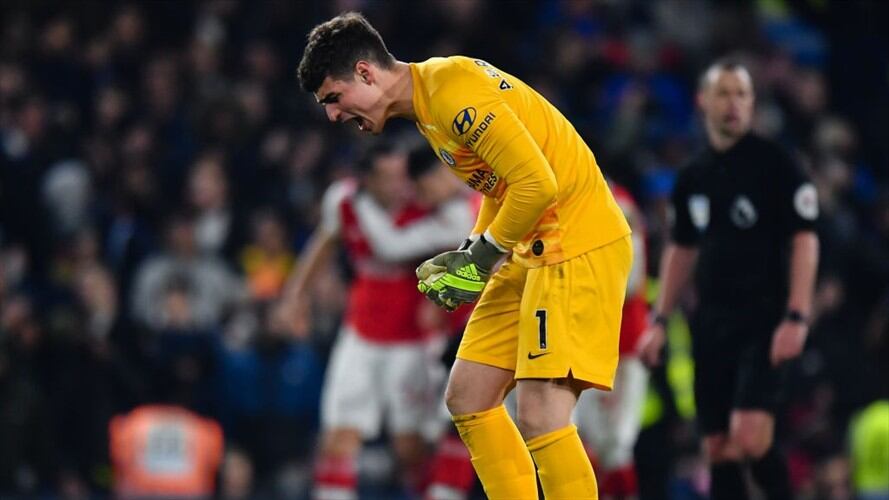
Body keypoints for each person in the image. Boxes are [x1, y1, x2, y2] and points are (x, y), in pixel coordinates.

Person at [298, 12, 632, 499]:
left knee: (541, 413)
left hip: (574, 244)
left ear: (366, 73)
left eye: (333, 98)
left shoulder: (453, 94)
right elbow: (501, 186)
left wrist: (483, 254)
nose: (332, 115)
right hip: (529, 247)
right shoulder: (430, 104)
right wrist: (471, 253)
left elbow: (538, 184)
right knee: (468, 396)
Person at [638, 60, 820, 499]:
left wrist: (797, 313)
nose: (734, 103)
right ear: (703, 101)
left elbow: (804, 239)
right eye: (724, 93)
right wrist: (660, 321)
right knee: (718, 447)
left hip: (766, 317)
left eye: (742, 94)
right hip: (712, 321)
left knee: (751, 435)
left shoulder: (776, 164)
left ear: (753, 103)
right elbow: (683, 249)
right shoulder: (692, 176)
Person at [278, 142, 474, 500]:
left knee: (410, 449)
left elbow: (405, 251)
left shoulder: (432, 207)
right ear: (367, 180)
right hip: (360, 337)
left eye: (403, 176)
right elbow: (325, 243)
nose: (402, 185)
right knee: (339, 436)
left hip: (414, 344)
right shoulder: (342, 201)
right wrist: (295, 295)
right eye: (389, 178)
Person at [575, 182, 649, 498]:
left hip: (621, 347)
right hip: (583, 344)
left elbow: (628, 279)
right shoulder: (569, 198)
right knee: (586, 442)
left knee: (615, 445)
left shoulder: (617, 204)